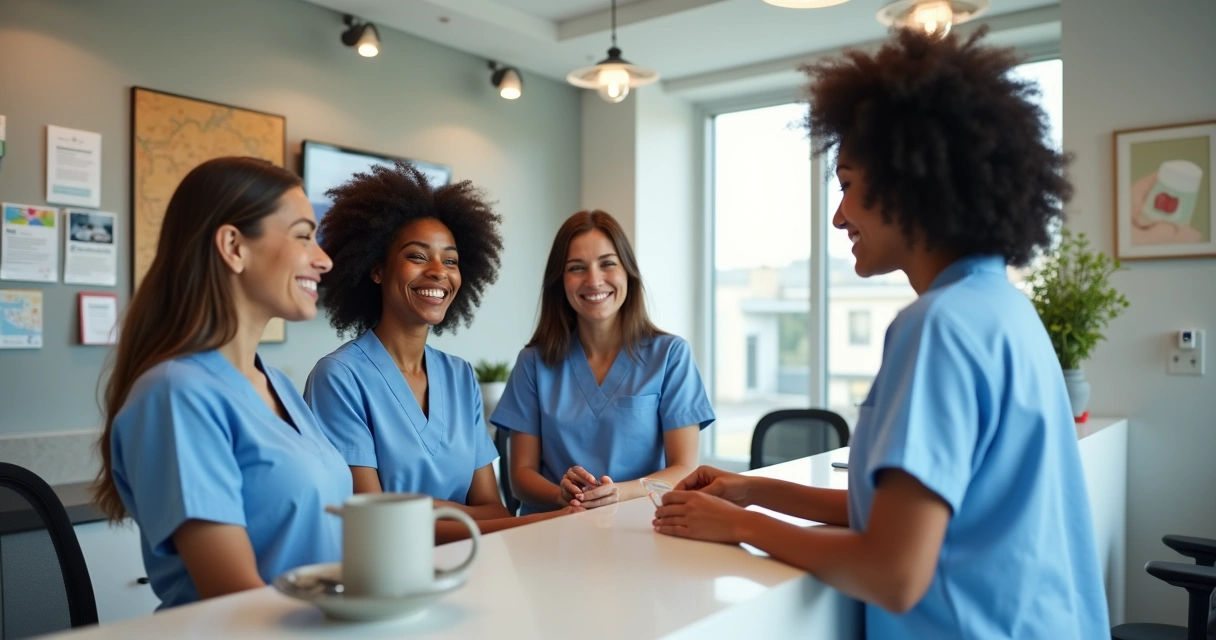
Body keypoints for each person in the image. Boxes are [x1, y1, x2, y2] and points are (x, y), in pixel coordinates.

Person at [653, 28, 1111, 639]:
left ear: (905, 180)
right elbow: (914, 515)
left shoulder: (938, 327)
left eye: (845, 184)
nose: (839, 215)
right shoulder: (1003, 309)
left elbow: (894, 572)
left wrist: (739, 526)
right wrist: (752, 490)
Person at [92, 157, 349, 609]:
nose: (324, 259)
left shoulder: (278, 386)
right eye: (304, 236)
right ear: (233, 246)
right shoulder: (176, 395)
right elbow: (236, 601)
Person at [304, 163, 578, 543]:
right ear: (377, 269)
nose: (438, 272)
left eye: (450, 260)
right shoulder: (338, 378)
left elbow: (494, 507)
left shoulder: (459, 376)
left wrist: (422, 507)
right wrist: (529, 522)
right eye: (417, 256)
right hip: (389, 583)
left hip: (472, 571)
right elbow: (374, 523)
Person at [491, 210, 715, 515]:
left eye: (607, 264)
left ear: (628, 273)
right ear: (561, 281)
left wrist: (616, 494)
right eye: (577, 268)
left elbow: (684, 469)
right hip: (553, 532)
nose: (594, 280)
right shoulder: (533, 363)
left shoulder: (671, 355)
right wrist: (563, 495)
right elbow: (520, 477)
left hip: (642, 529)